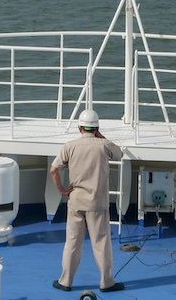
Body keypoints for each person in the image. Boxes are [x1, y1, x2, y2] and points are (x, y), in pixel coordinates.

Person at [50, 109, 125, 293]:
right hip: (97, 203)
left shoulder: (70, 146)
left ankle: (65, 281)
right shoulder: (103, 144)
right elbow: (119, 154)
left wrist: (62, 190)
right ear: (96, 127)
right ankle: (107, 282)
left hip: (76, 202)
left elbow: (54, 169)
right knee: (101, 243)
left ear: (79, 128)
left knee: (72, 242)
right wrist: (100, 136)